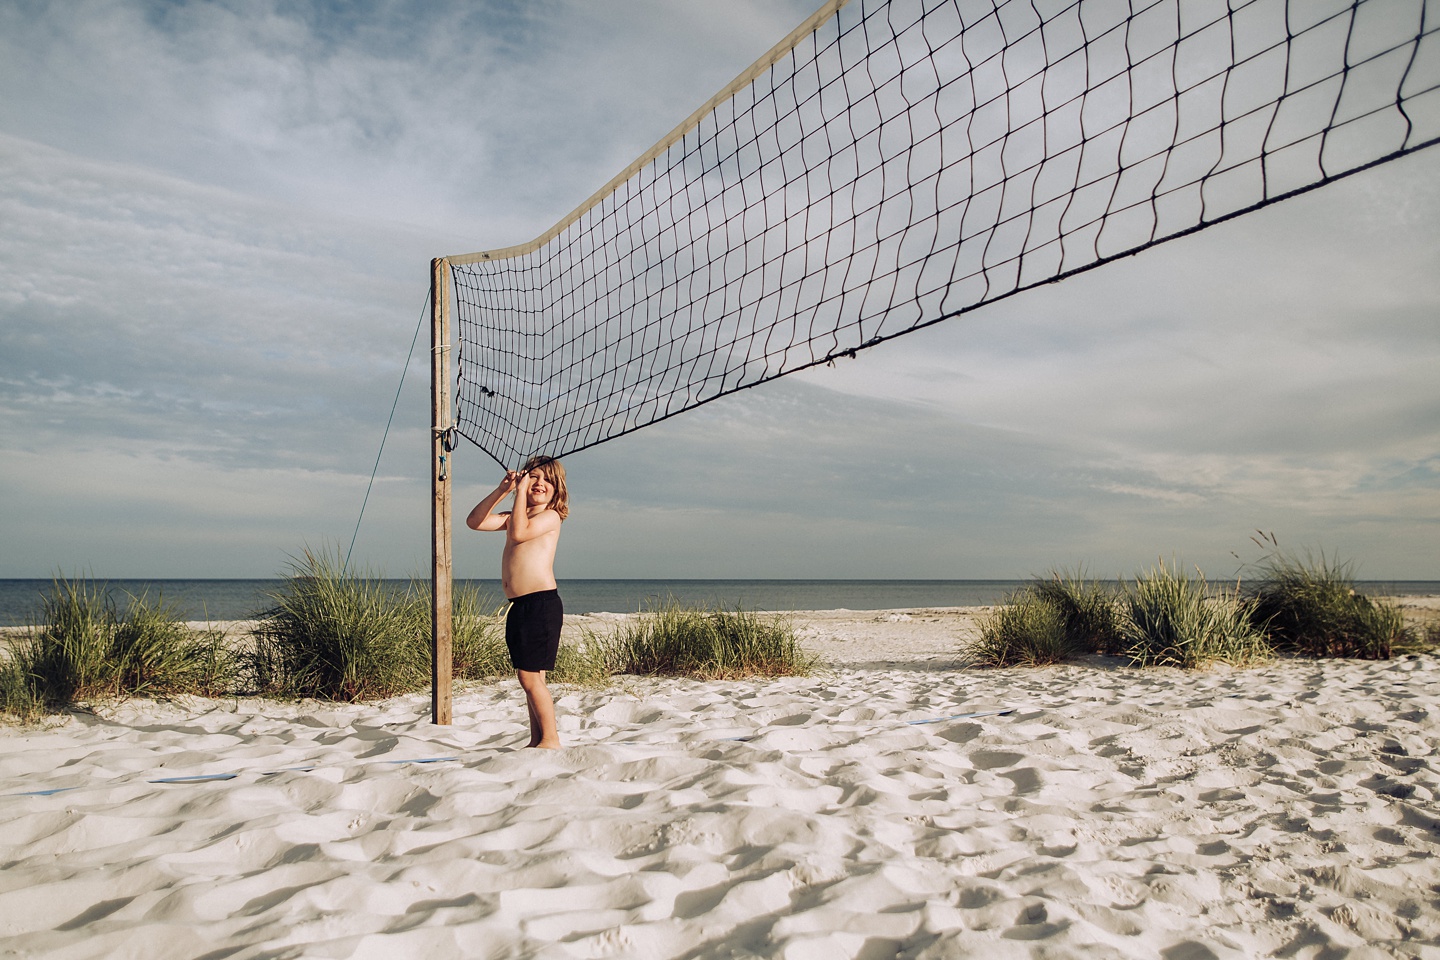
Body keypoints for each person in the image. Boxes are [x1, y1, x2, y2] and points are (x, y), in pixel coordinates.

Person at [466, 455, 569, 749]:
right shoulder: (516, 516)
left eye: (546, 480)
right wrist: (504, 489)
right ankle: (536, 738)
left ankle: (550, 739)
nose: (538, 484)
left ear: (557, 488)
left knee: (529, 677)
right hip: (521, 607)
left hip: (541, 605)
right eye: (533, 477)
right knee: (531, 677)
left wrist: (521, 491)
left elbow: (520, 533)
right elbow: (475, 522)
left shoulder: (550, 517)